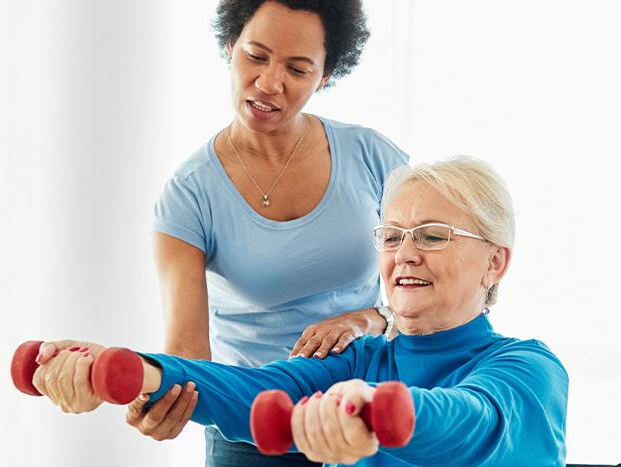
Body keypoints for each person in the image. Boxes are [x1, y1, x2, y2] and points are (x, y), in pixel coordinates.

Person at [38, 1, 408, 465]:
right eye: (256, 56)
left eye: (297, 68)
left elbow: (438, 284)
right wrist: (148, 390)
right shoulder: (190, 195)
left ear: (326, 74)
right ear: (230, 47)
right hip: (253, 428)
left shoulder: (374, 157)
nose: (270, 82)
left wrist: (370, 318)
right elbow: (189, 353)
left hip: (367, 412)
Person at [34, 156, 569, 466]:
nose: (405, 252)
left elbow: (472, 421)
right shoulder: (359, 361)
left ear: (494, 263)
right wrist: (127, 369)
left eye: (433, 235)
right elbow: (252, 391)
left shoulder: (529, 369)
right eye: (392, 235)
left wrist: (375, 412)